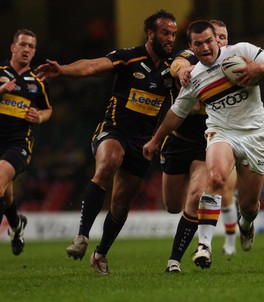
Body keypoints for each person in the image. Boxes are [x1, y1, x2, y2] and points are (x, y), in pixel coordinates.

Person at [36, 10, 177, 274]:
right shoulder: (128, 57)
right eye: (165, 33)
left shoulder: (174, 68)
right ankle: (81, 236)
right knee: (108, 164)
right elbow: (91, 66)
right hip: (114, 129)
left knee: (121, 203)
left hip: (143, 142)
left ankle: (100, 254)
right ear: (150, 34)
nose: (170, 38)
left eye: (173, 34)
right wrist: (62, 69)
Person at [143, 20, 264, 269]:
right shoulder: (195, 77)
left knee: (249, 205)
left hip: (254, 135)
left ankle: (246, 223)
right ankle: (204, 247)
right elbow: (177, 112)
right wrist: (156, 140)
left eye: (209, 41)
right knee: (216, 177)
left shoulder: (241, 52)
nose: (205, 47)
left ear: (217, 40)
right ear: (191, 47)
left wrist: (260, 70)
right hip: (221, 132)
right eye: (198, 44)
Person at [163, 20, 237, 273]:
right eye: (215, 37)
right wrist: (182, 71)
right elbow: (177, 63)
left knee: (195, 197)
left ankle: (175, 260)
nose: (219, 41)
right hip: (178, 140)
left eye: (223, 37)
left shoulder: (233, 61)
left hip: (209, 142)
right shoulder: (192, 57)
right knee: (173, 205)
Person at [0, 29, 52, 255]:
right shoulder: (0, 73)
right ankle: (16, 225)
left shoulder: (37, 82)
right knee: (6, 193)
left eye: (31, 46)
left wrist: (39, 117)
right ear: (13, 47)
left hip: (18, 144)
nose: (27, 49)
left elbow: (48, 109)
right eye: (23, 45)